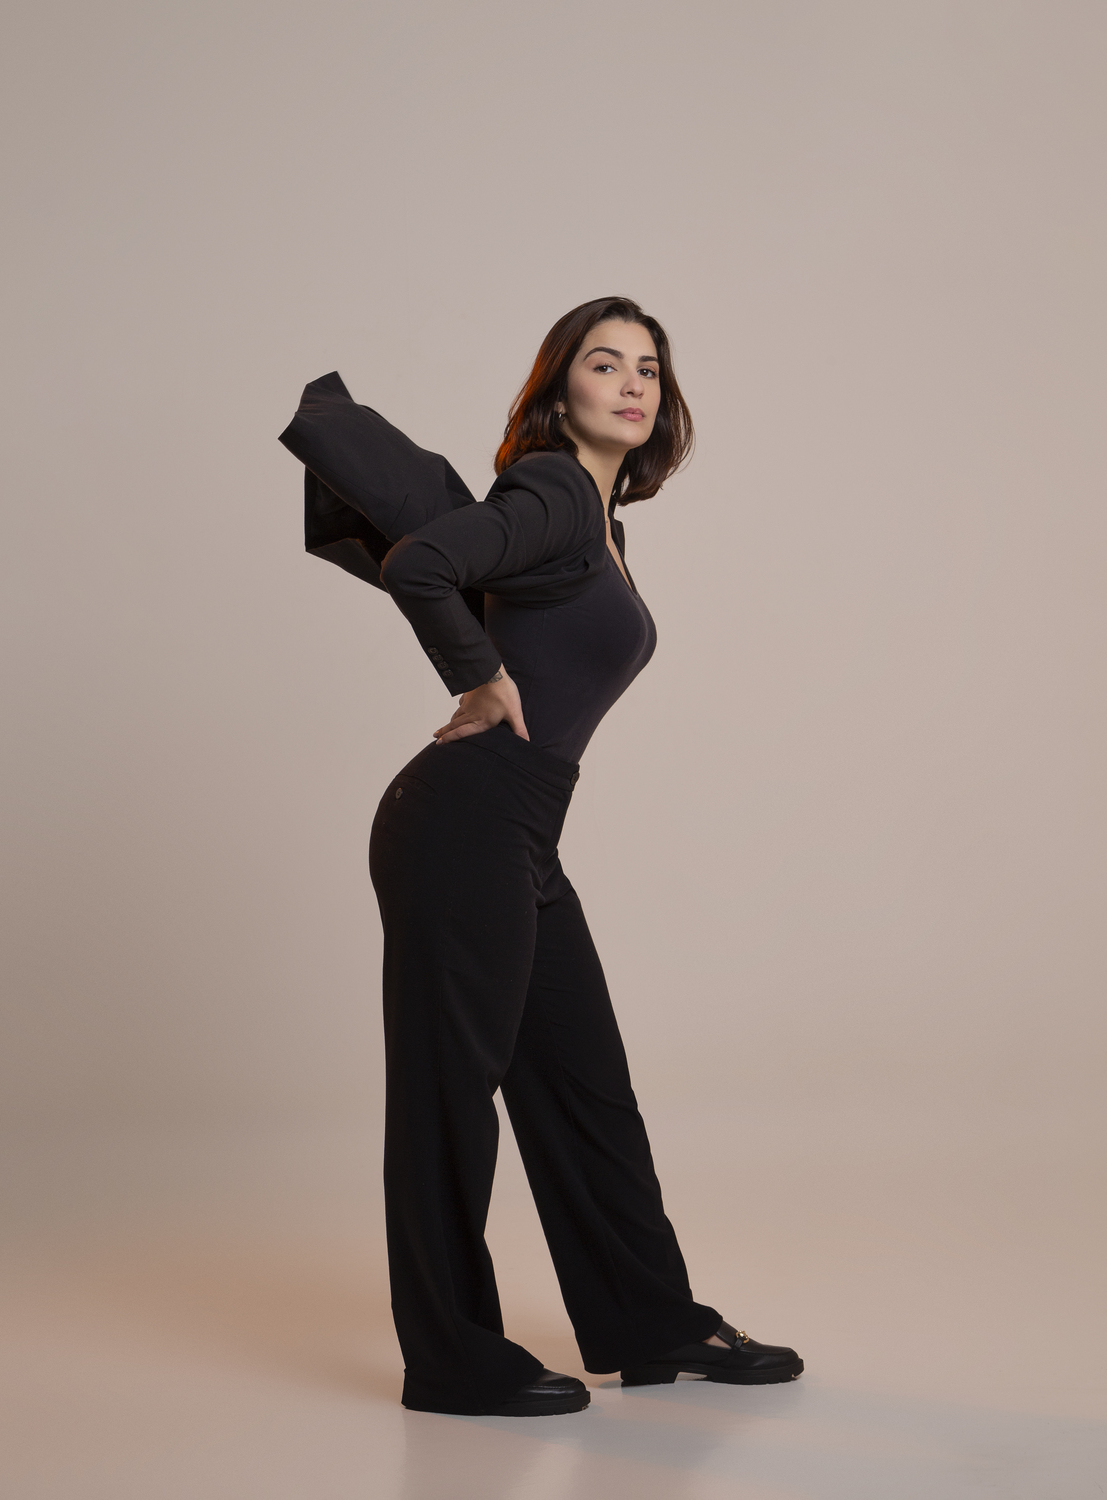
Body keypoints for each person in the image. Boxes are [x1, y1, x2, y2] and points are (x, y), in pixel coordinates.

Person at [279, 296, 803, 1417]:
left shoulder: (601, 523)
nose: (632, 382)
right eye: (604, 363)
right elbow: (423, 564)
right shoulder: (557, 489)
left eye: (648, 368)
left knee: (583, 1083)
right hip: (464, 821)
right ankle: (452, 1357)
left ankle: (654, 1321)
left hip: (519, 831)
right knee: (449, 1096)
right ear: (558, 391)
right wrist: (477, 675)